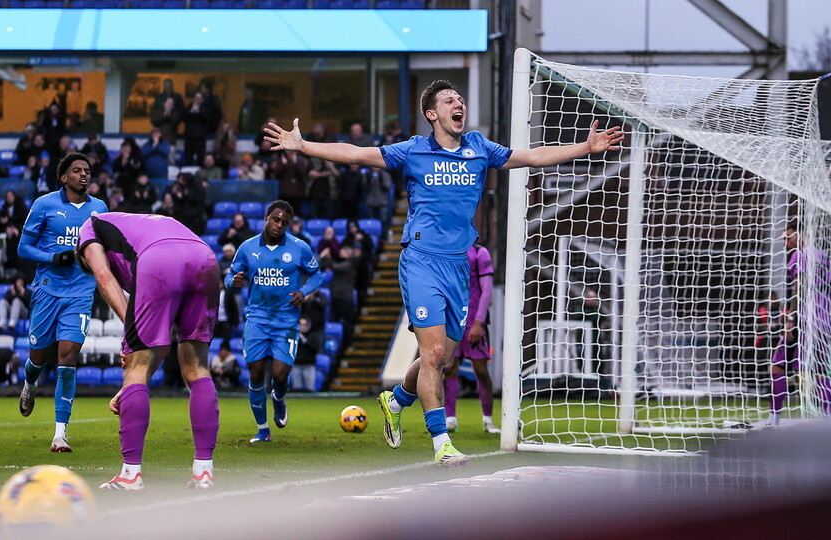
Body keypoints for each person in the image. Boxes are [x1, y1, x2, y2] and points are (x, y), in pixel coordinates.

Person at [264, 79, 623, 466]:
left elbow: (533, 157)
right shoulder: (413, 151)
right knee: (434, 353)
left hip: (458, 265)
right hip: (420, 260)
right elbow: (355, 154)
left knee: (445, 359)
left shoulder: (480, 148)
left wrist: (586, 147)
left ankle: (396, 398)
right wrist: (304, 146)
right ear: (431, 114)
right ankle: (441, 444)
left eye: (461, 99)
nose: (459, 104)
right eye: (449, 100)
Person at [76, 212, 221, 490]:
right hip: (204, 257)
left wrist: (128, 327)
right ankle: (204, 472)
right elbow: (162, 343)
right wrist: (129, 387)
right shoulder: (136, 223)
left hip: (159, 259)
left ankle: (130, 475)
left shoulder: (88, 229)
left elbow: (104, 277)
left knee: (135, 367)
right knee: (197, 367)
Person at [17, 152, 109, 453]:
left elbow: (106, 249)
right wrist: (53, 257)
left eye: (87, 170)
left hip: (81, 292)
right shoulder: (44, 204)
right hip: (47, 290)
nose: (84, 175)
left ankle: (60, 434)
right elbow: (24, 248)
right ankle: (30, 382)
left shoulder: (100, 209)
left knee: (67, 358)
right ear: (63, 177)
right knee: (38, 358)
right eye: (77, 170)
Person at [224, 200, 322, 443]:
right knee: (255, 373)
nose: (279, 225)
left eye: (284, 222)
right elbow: (229, 275)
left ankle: (279, 398)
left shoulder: (300, 248)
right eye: (276, 219)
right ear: (267, 217)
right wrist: (232, 282)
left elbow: (316, 275)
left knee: (279, 375)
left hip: (286, 321)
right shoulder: (247, 247)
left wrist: (303, 292)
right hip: (257, 318)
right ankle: (263, 430)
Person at [767, 225, 831, 426]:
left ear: (801, 235)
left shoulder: (799, 256)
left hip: (804, 320)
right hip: (824, 321)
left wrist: (790, 319)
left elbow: (799, 286)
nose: (784, 243)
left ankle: (774, 419)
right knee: (820, 371)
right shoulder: (823, 257)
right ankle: (828, 418)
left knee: (777, 366)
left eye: (787, 237)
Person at [443, 243, 499, 434]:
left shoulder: (480, 252)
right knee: (449, 369)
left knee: (481, 370)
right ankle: (450, 419)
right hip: (452, 320)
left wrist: (479, 322)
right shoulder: (449, 249)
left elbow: (487, 291)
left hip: (474, 321)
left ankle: (488, 420)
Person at [0, 189, 29, 275]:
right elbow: (1, 222)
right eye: (7, 196)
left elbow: (25, 221)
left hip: (21, 231)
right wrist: (7, 227)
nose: (9, 198)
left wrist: (16, 229)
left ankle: (19, 268)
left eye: (10, 196)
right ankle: (10, 267)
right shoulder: (4, 208)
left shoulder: (21, 207)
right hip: (7, 233)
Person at [291, 316, 322, 392]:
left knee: (309, 388)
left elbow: (316, 348)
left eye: (304, 324)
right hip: (296, 365)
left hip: (309, 365)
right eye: (300, 324)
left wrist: (304, 340)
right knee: (296, 388)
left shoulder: (313, 336)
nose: (302, 326)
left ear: (308, 325)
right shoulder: (293, 336)